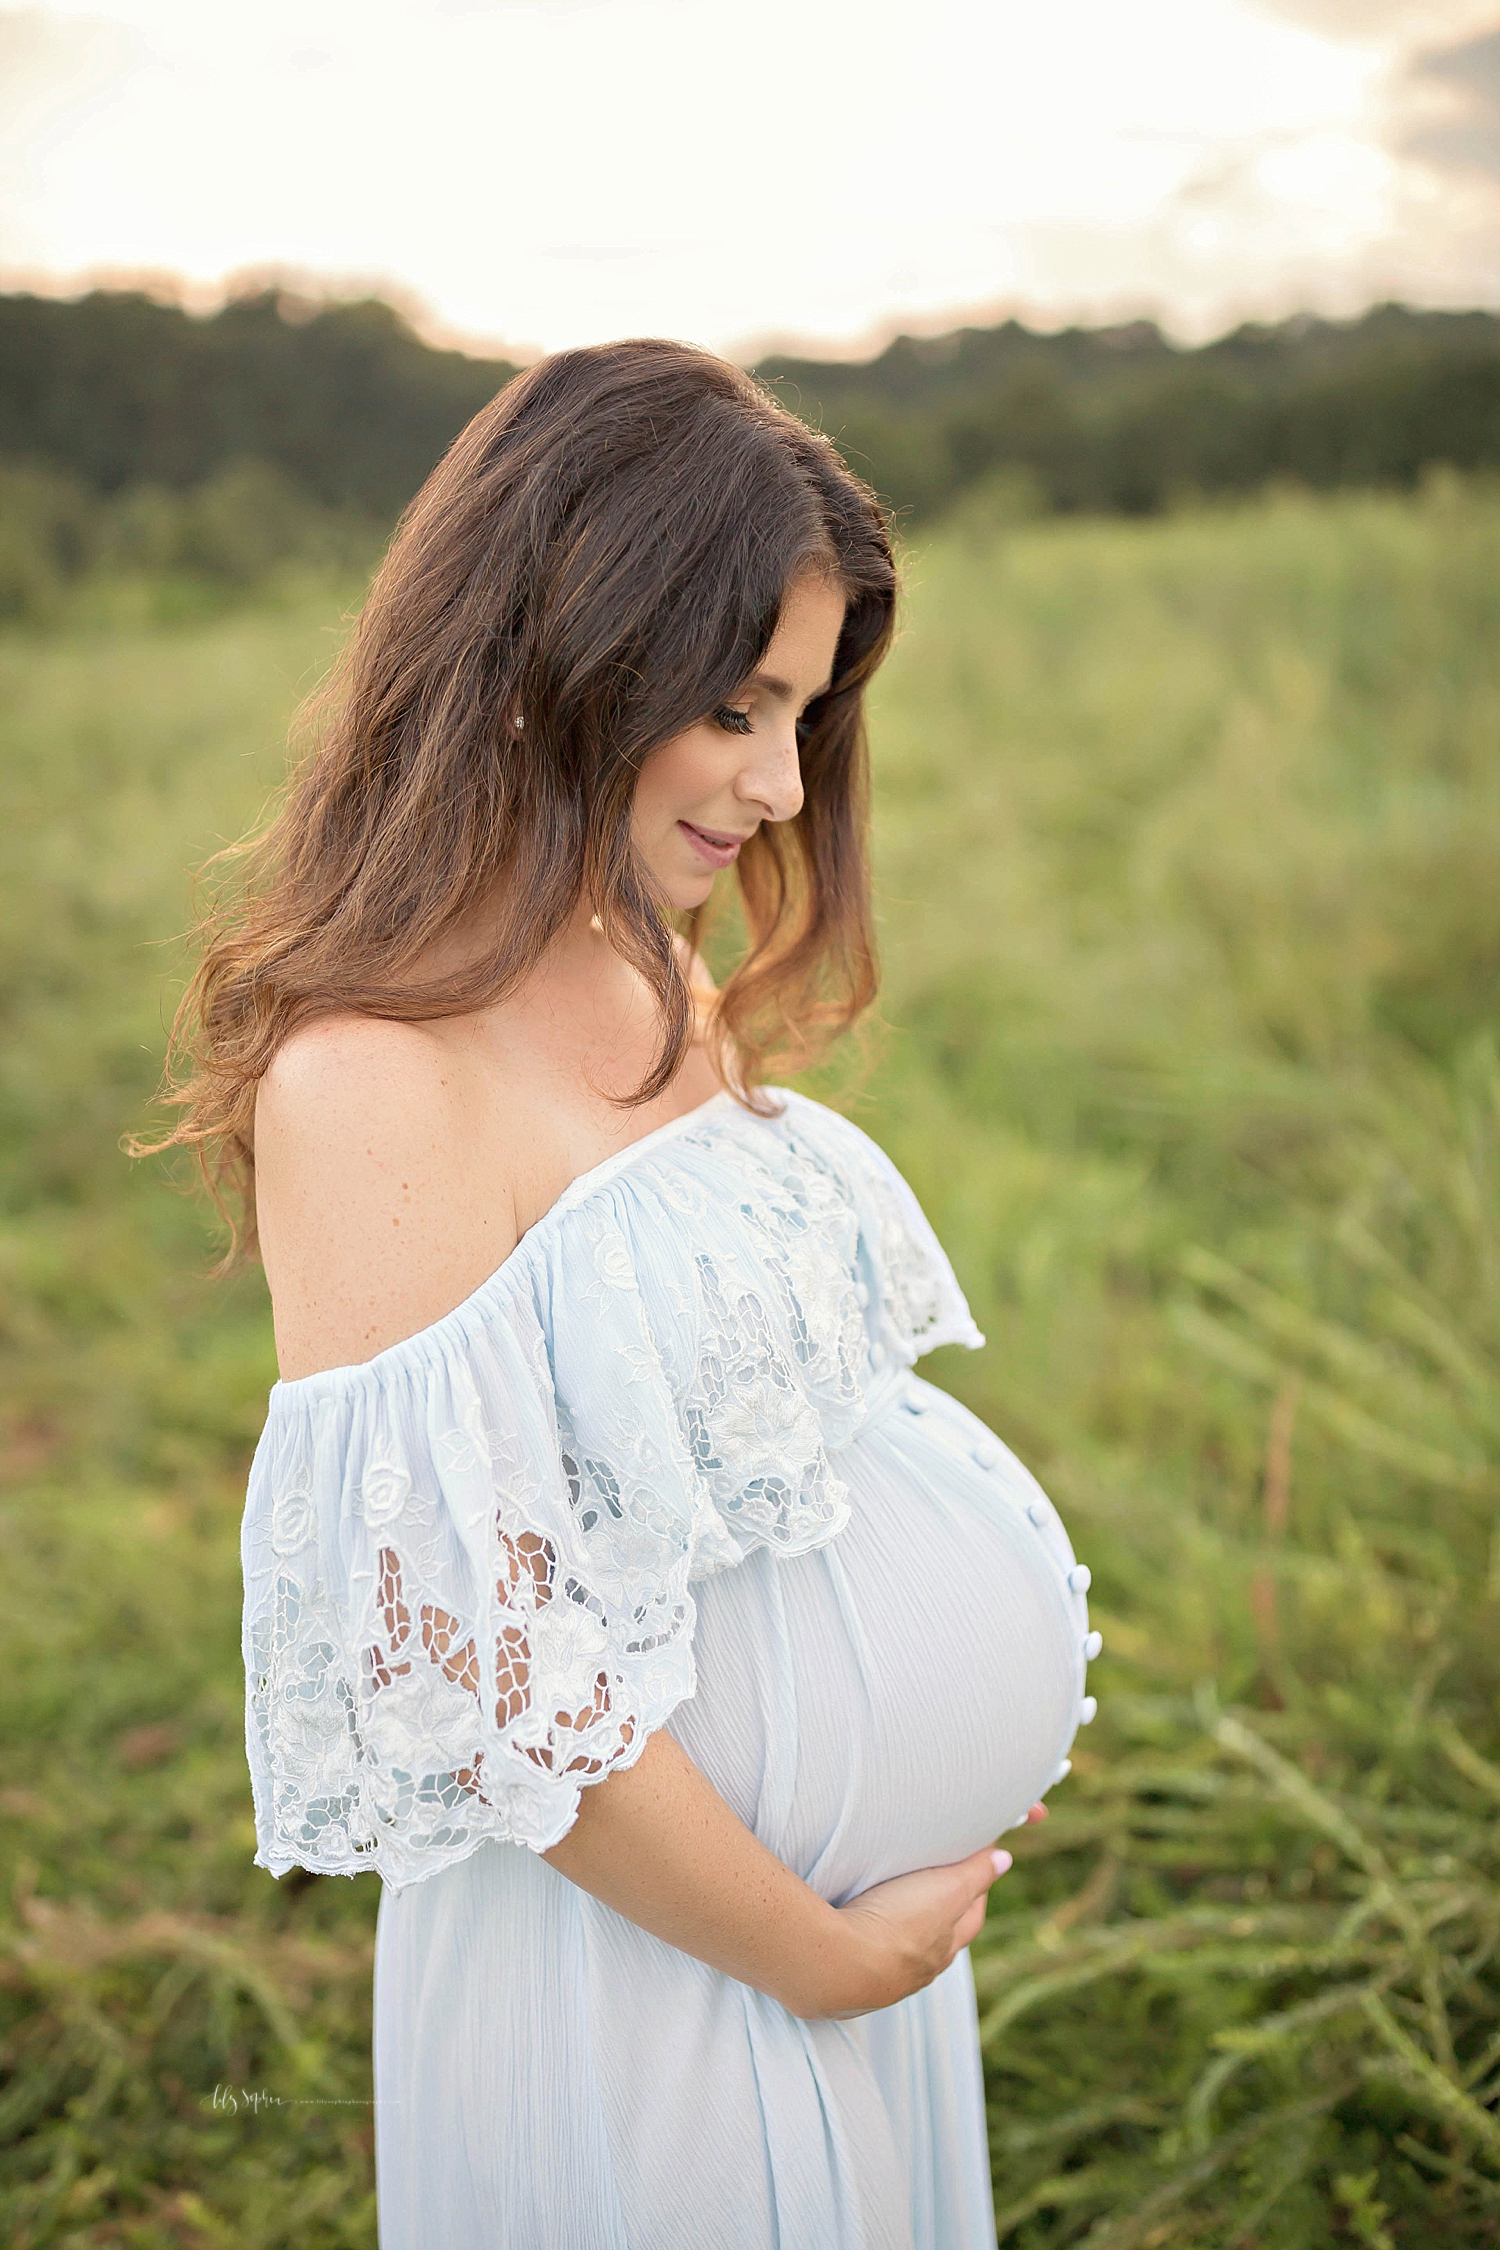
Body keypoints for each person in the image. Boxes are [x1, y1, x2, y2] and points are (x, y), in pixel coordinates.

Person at [155, 339, 1099, 2249]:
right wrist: (813, 1954)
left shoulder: (629, 946)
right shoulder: (374, 1078)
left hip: (821, 1943)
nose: (775, 783)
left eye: (805, 717)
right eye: (735, 706)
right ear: (558, 647)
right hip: (654, 1986)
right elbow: (491, 1688)